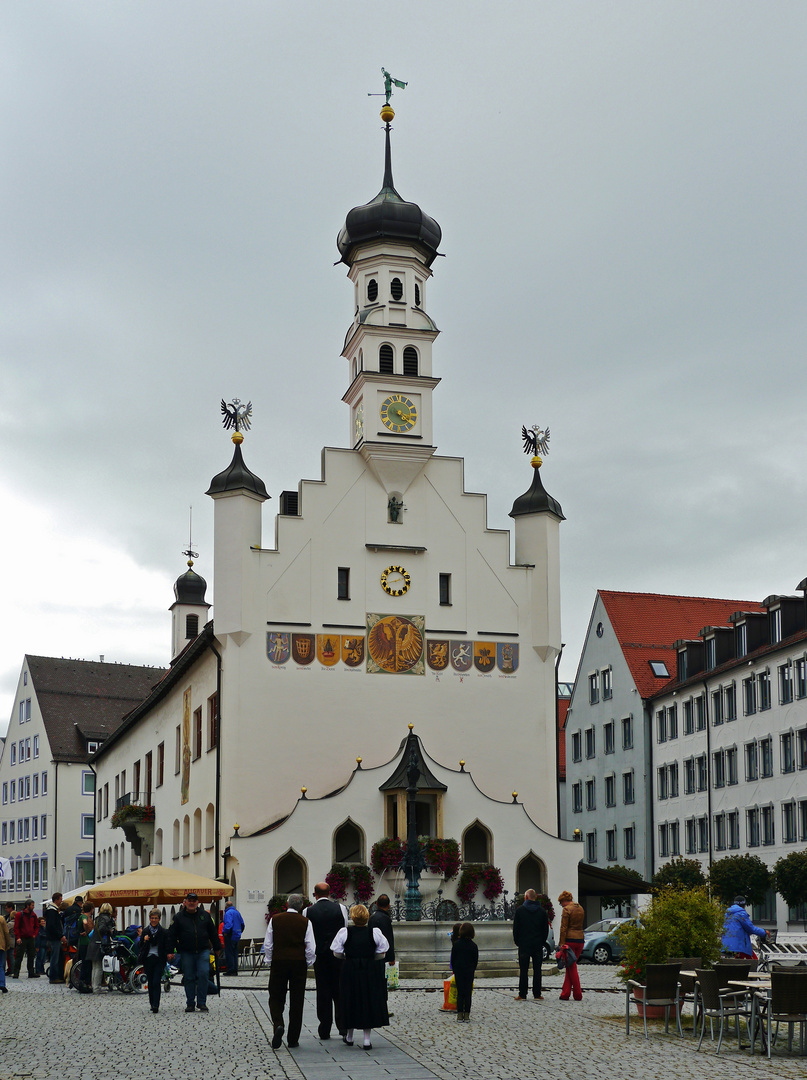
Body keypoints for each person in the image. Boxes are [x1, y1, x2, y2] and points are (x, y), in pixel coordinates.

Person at [331, 903, 389, 1050]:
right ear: (367, 917)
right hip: (369, 969)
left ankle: (349, 1036)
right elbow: (382, 952)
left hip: (350, 968)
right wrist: (369, 957)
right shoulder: (374, 932)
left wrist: (347, 956)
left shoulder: (345, 932)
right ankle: (366, 1040)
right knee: (367, 1000)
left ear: (352, 917)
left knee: (349, 998)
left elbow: (336, 952)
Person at [263, 893, 316, 1050]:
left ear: (287, 904)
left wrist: (269, 959)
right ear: (301, 906)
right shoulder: (305, 922)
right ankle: (293, 1038)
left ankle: (278, 1024)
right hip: (298, 963)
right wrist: (308, 961)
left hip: (279, 961)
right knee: (297, 1000)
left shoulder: (276, 919)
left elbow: (268, 943)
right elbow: (311, 946)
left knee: (276, 996)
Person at [304, 882, 348, 1039]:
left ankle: (324, 1028)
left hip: (319, 956)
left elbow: (307, 935)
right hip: (337, 955)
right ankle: (342, 1026)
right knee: (339, 990)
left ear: (315, 894)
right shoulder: (341, 909)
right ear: (329, 893)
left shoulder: (308, 911)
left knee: (323, 991)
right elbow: (344, 931)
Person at [168, 892, 222, 1013]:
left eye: (194, 900)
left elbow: (212, 932)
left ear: (197, 903)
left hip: (203, 950)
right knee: (189, 977)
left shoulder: (205, 916)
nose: (192, 903)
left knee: (203, 974)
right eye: (189, 900)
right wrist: (171, 950)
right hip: (187, 952)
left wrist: (217, 947)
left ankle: (202, 1002)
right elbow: (171, 935)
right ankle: (190, 1003)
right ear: (185, 902)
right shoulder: (178, 917)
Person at [512, 889, 549, 1001]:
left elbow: (516, 929)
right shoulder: (542, 912)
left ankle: (522, 994)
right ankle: (537, 994)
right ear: (535, 897)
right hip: (537, 943)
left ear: (526, 897)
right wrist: (542, 941)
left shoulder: (520, 911)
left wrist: (518, 942)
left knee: (524, 970)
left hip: (524, 943)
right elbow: (545, 930)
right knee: (537, 969)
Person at [138, 908, 171, 1013]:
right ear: (149, 919)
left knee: (156, 981)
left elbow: (167, 945)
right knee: (151, 982)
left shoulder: (163, 932)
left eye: (156, 918)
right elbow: (140, 946)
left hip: (159, 959)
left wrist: (168, 954)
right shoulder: (145, 931)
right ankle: (152, 1003)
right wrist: (144, 940)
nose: (153, 920)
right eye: (152, 918)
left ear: (159, 919)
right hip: (148, 958)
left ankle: (156, 1004)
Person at [557, 890, 585, 1001]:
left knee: (572, 967)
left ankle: (578, 994)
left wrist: (561, 943)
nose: (561, 905)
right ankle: (565, 993)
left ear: (564, 901)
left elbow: (563, 928)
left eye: (561, 903)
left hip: (570, 940)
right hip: (580, 939)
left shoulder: (566, 910)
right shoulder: (580, 908)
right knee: (570, 966)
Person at [450, 922, 479, 1023]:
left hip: (459, 970)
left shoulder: (457, 944)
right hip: (469, 970)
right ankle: (467, 1014)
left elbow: (453, 958)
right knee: (467, 993)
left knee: (460, 992)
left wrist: (454, 968)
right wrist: (472, 968)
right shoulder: (473, 945)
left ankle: (459, 1014)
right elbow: (475, 959)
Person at [88, 903, 115, 992]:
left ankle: (94, 986)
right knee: (99, 967)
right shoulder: (106, 919)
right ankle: (97, 988)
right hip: (99, 944)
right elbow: (102, 929)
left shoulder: (98, 918)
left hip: (93, 943)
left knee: (94, 967)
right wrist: (109, 931)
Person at [13, 899, 40, 979]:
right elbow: (16, 927)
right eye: (32, 905)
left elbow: (36, 925)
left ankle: (31, 972)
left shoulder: (33, 915)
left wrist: (35, 934)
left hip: (31, 937)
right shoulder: (20, 914)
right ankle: (16, 972)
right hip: (22, 937)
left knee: (31, 956)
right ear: (27, 906)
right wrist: (18, 937)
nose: (33, 907)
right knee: (19, 956)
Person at [44, 892, 66, 983]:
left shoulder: (52, 910)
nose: (61, 901)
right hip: (54, 938)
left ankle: (56, 976)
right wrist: (60, 935)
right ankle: (53, 977)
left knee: (56, 957)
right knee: (54, 958)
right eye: (60, 899)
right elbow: (52, 926)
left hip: (53, 937)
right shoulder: (52, 911)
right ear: (56, 900)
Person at [222, 899, 246, 976]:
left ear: (226, 906)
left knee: (229, 952)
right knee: (235, 953)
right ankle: (235, 969)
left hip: (230, 934)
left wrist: (225, 932)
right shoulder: (237, 913)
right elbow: (242, 924)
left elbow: (228, 924)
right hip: (237, 934)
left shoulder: (228, 913)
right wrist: (239, 932)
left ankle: (231, 969)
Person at [76, 901, 95, 992]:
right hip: (86, 943)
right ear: (91, 909)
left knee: (85, 963)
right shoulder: (84, 916)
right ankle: (84, 983)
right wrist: (87, 931)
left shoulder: (81, 916)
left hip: (83, 943)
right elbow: (85, 922)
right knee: (86, 964)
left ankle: (85, 983)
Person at [0, 910, 11, 992]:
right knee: (1, 965)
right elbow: (6, 932)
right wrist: (7, 944)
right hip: (1, 945)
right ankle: (2, 983)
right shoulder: (1, 919)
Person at [4, 903, 15, 975]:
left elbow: (6, 930)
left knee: (10, 956)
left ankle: (11, 969)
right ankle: (11, 969)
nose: (5, 910)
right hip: (13, 940)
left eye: (6, 908)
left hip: (10, 940)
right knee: (11, 956)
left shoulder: (11, 923)